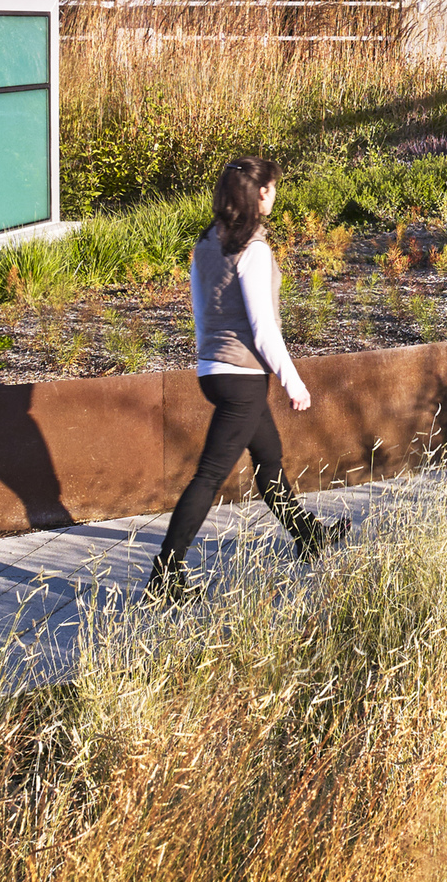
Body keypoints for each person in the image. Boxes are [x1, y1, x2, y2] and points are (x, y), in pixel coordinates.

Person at [148, 155, 349, 592]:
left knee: (269, 459)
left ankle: (309, 536)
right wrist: (293, 381)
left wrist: (209, 358)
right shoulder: (253, 249)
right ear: (259, 193)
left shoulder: (206, 242)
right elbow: (263, 328)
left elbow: (201, 312)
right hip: (242, 377)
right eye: (273, 187)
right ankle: (165, 575)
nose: (275, 194)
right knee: (209, 475)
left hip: (215, 371)